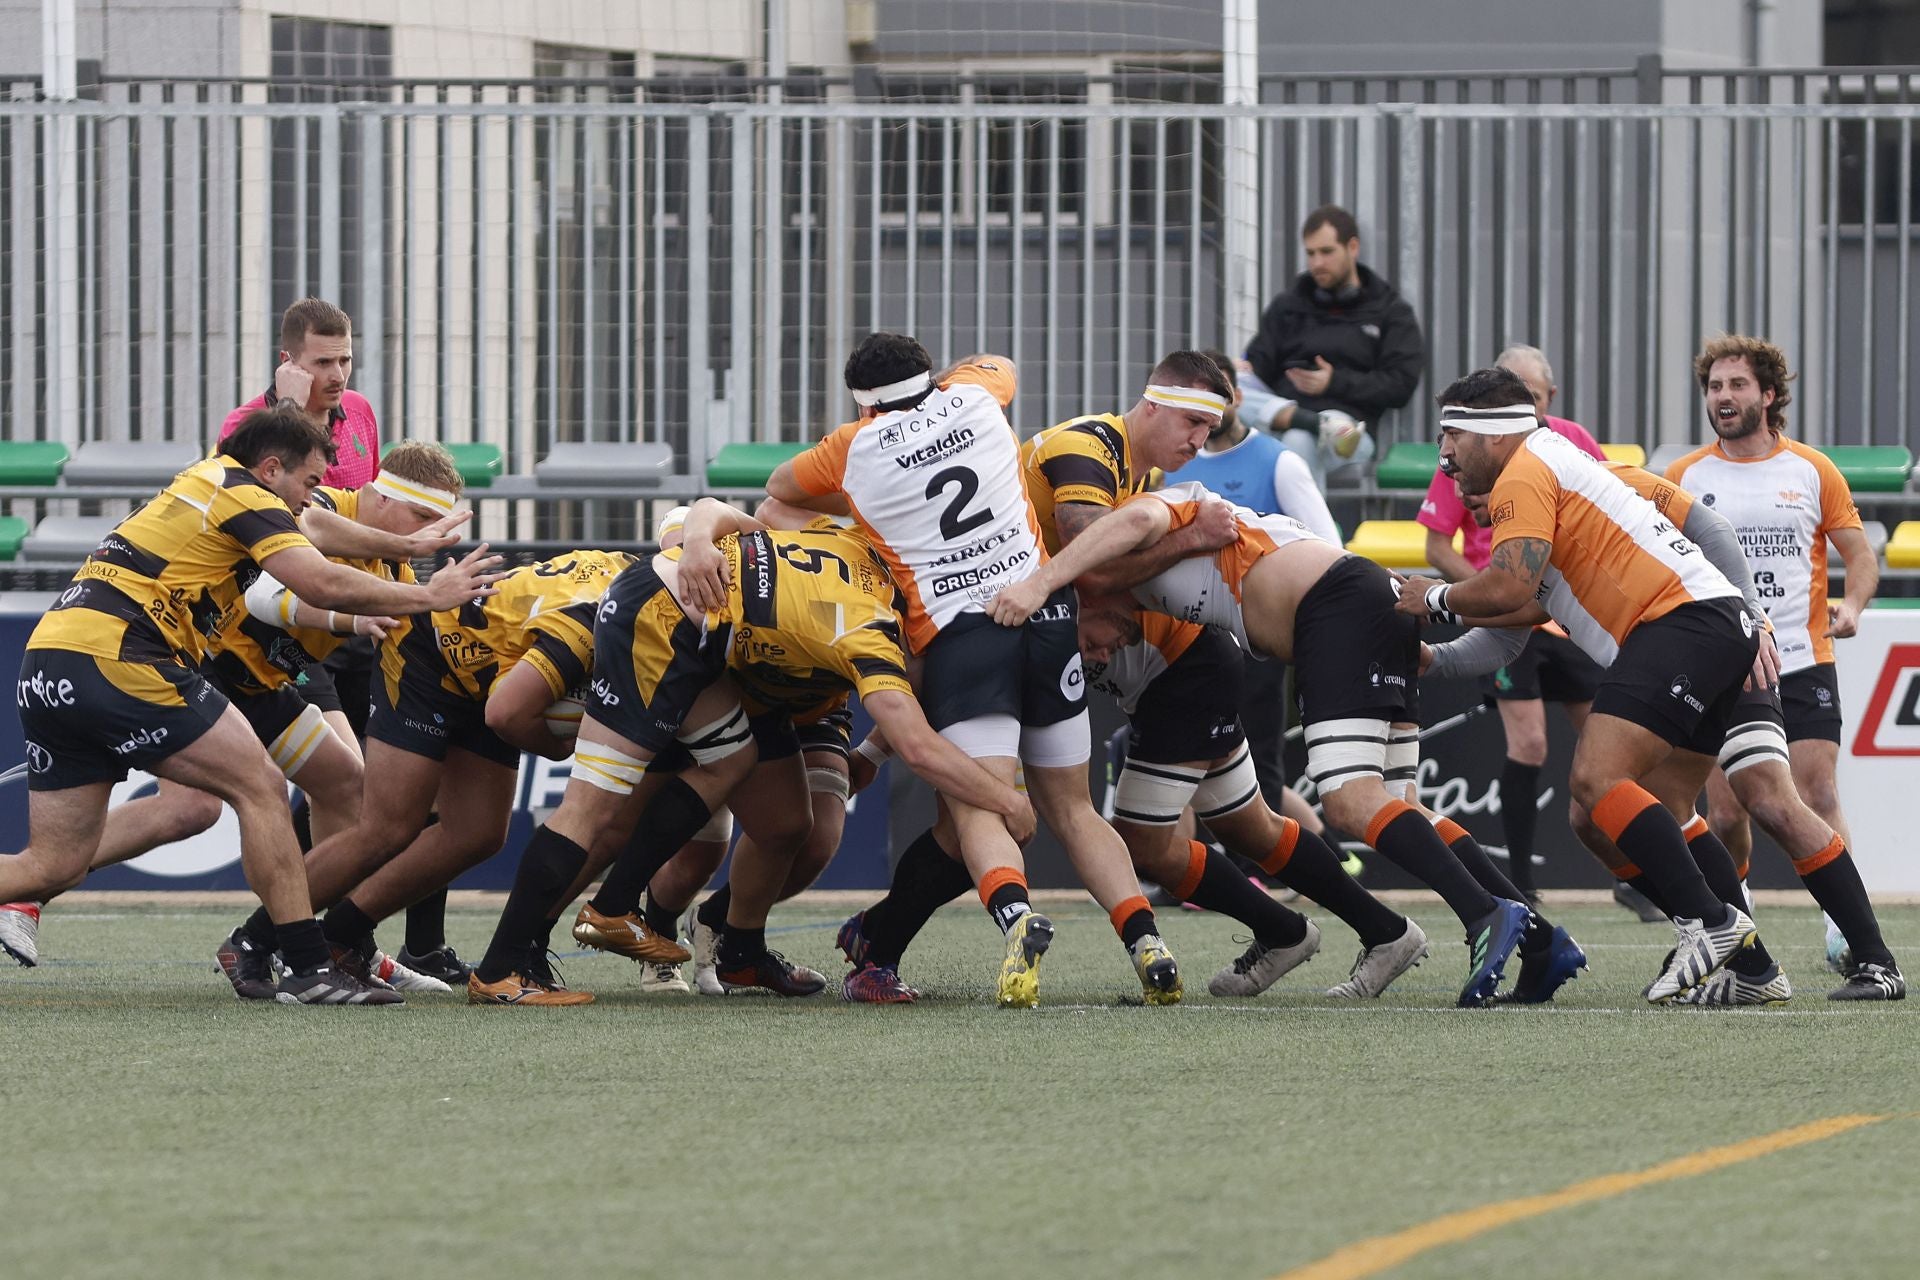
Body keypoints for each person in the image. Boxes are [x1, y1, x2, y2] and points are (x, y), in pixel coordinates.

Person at [833, 353, 1424, 1003]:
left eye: (1211, 428)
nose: (1200, 444)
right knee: (1241, 826)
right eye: (1192, 423)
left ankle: (1336, 927)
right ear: (1153, 404)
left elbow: (1080, 580)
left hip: (1176, 663)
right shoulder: (1084, 451)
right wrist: (1187, 536)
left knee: (1088, 829)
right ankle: (1349, 927)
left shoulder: (1109, 466)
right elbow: (1088, 569)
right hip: (1143, 657)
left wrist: (871, 749)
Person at [984, 480, 1557, 1009]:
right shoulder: (1144, 561)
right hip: (1364, 601)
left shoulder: (1161, 515)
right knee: (1393, 807)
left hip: (1333, 610)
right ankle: (1540, 940)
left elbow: (1125, 530)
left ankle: (1483, 915)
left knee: (1348, 803)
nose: (1096, 654)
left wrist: (1041, 579)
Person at [0, 408, 501, 1002]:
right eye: (311, 481)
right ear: (271, 469)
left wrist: (406, 547)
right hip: (135, 656)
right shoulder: (242, 492)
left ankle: (334, 947)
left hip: (58, 656)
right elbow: (303, 583)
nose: (316, 496)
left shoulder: (228, 488)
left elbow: (315, 529)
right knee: (258, 787)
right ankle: (308, 962)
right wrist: (421, 594)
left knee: (51, 864)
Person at [467, 501, 1035, 1005]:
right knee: (595, 814)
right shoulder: (870, 631)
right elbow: (917, 742)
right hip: (666, 623)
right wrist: (1005, 801)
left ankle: (628, 910)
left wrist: (698, 539)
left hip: (712, 650)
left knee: (758, 791)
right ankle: (502, 967)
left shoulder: (853, 545)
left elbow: (740, 514)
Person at [768, 334, 1184, 1007]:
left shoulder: (850, 447)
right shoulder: (975, 393)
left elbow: (778, 493)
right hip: (1047, 614)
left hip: (964, 632)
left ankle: (1017, 923)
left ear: (862, 402)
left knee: (975, 808)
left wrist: (871, 507)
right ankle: (1146, 942)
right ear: (932, 376)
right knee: (1074, 809)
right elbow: (1004, 361)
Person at [1393, 366, 1779, 1004]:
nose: (1444, 459)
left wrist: (1430, 596)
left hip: (1683, 621)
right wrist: (1437, 659)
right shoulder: (1548, 474)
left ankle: (1710, 923)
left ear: (1490, 433)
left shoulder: (1524, 471)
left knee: (1595, 779)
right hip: (1703, 624)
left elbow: (1509, 589)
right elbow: (1513, 621)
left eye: (1450, 436)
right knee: (1633, 811)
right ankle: (1755, 968)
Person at [211, 547, 631, 1001]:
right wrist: (561, 744)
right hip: (430, 650)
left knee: (478, 833)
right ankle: (252, 940)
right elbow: (507, 716)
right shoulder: (594, 626)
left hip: (493, 659)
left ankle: (341, 936)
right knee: (387, 827)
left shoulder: (638, 578)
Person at [1665, 334, 1903, 1000]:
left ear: (1769, 394)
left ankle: (1848, 940)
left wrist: (1853, 605)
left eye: (1736, 385)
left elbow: (1861, 558)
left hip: (1800, 659)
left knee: (1816, 792)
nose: (1723, 397)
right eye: (1714, 386)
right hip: (1722, 665)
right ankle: (1738, 934)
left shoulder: (1811, 470)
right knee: (1727, 811)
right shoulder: (1685, 477)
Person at [1416, 344, 1606, 905]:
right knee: (1531, 745)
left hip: (1565, 611)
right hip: (1516, 603)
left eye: (1533, 395)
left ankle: (1646, 880)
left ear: (1547, 399)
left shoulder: (1565, 449)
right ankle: (1522, 881)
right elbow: (1438, 542)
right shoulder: (1474, 453)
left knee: (1606, 756)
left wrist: (1452, 597)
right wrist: (1486, 585)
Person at [1169, 350, 1348, 868]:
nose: (1208, 408)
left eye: (1218, 393)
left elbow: (1329, 547)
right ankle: (1184, 871)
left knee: (1260, 764)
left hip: (1258, 641)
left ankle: (1273, 874)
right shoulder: (1176, 467)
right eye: (1195, 398)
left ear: (1239, 398)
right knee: (1186, 756)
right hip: (1190, 640)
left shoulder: (1279, 461)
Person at [1241, 204, 1425, 487]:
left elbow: (1400, 385)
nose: (1317, 263)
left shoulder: (1389, 310)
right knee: (1228, 384)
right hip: (1280, 417)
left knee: (1299, 439)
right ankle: (1305, 421)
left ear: (1352, 247)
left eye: (1326, 252)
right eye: (1310, 253)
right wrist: (1242, 370)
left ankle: (1301, 530)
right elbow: (1260, 366)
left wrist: (1333, 383)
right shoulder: (1288, 306)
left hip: (1349, 430)